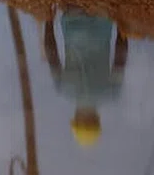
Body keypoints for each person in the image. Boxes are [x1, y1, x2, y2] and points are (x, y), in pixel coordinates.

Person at [43, 8, 128, 149]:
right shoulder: (64, 90)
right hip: (72, 19)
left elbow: (120, 55)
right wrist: (48, 20)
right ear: (76, 118)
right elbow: (50, 51)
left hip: (103, 18)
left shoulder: (111, 93)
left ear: (97, 119)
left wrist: (121, 23)